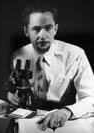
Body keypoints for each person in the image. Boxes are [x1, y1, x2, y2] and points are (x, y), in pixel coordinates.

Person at [7, 1, 94, 131]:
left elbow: (91, 98)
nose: (42, 36)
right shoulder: (18, 56)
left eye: (48, 28)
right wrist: (12, 95)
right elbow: (16, 91)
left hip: (66, 123)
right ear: (26, 31)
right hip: (31, 122)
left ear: (55, 29)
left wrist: (66, 112)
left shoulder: (76, 55)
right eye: (36, 29)